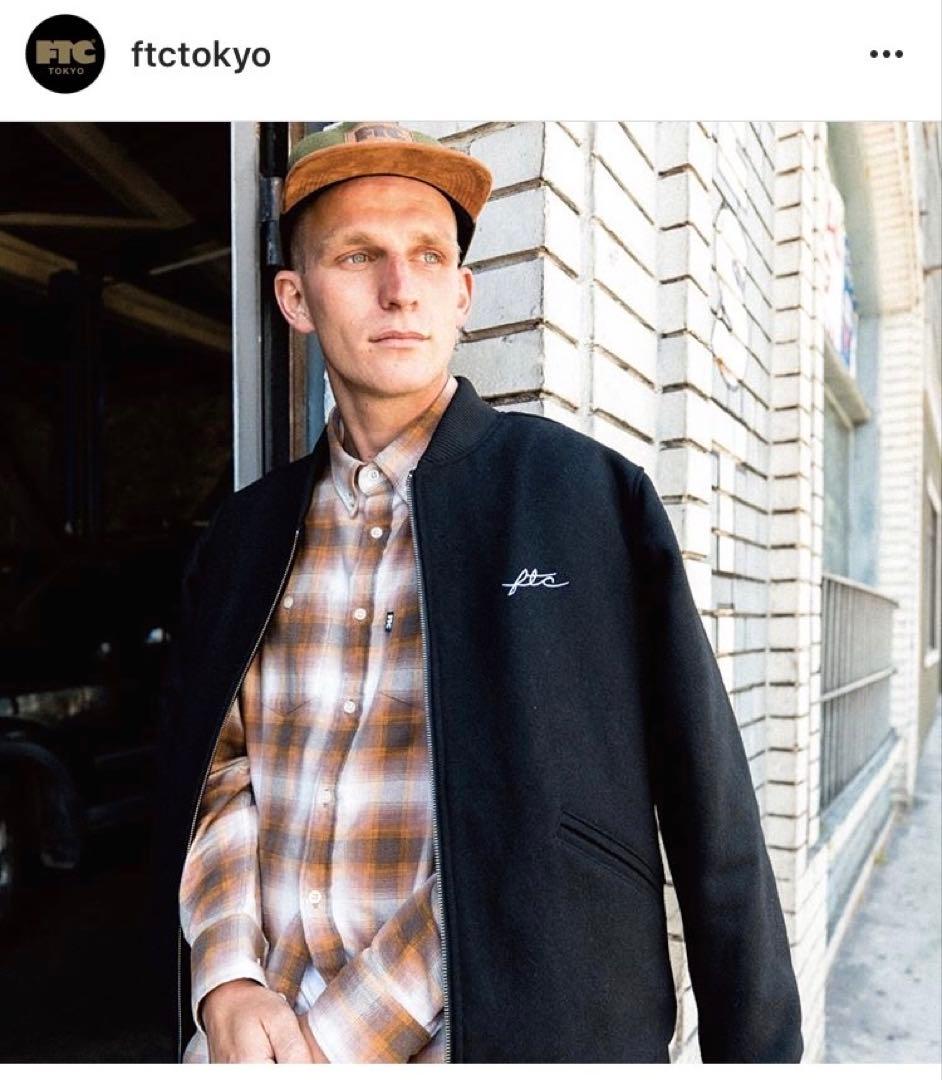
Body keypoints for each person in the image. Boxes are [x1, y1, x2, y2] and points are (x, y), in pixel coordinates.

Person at [157, 122, 804, 1064]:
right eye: (358, 255)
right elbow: (221, 775)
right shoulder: (243, 537)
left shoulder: (586, 499)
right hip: (253, 1041)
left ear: (463, 295)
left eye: (428, 255)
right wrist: (224, 973)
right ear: (295, 298)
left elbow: (710, 803)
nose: (400, 288)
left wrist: (758, 1052)